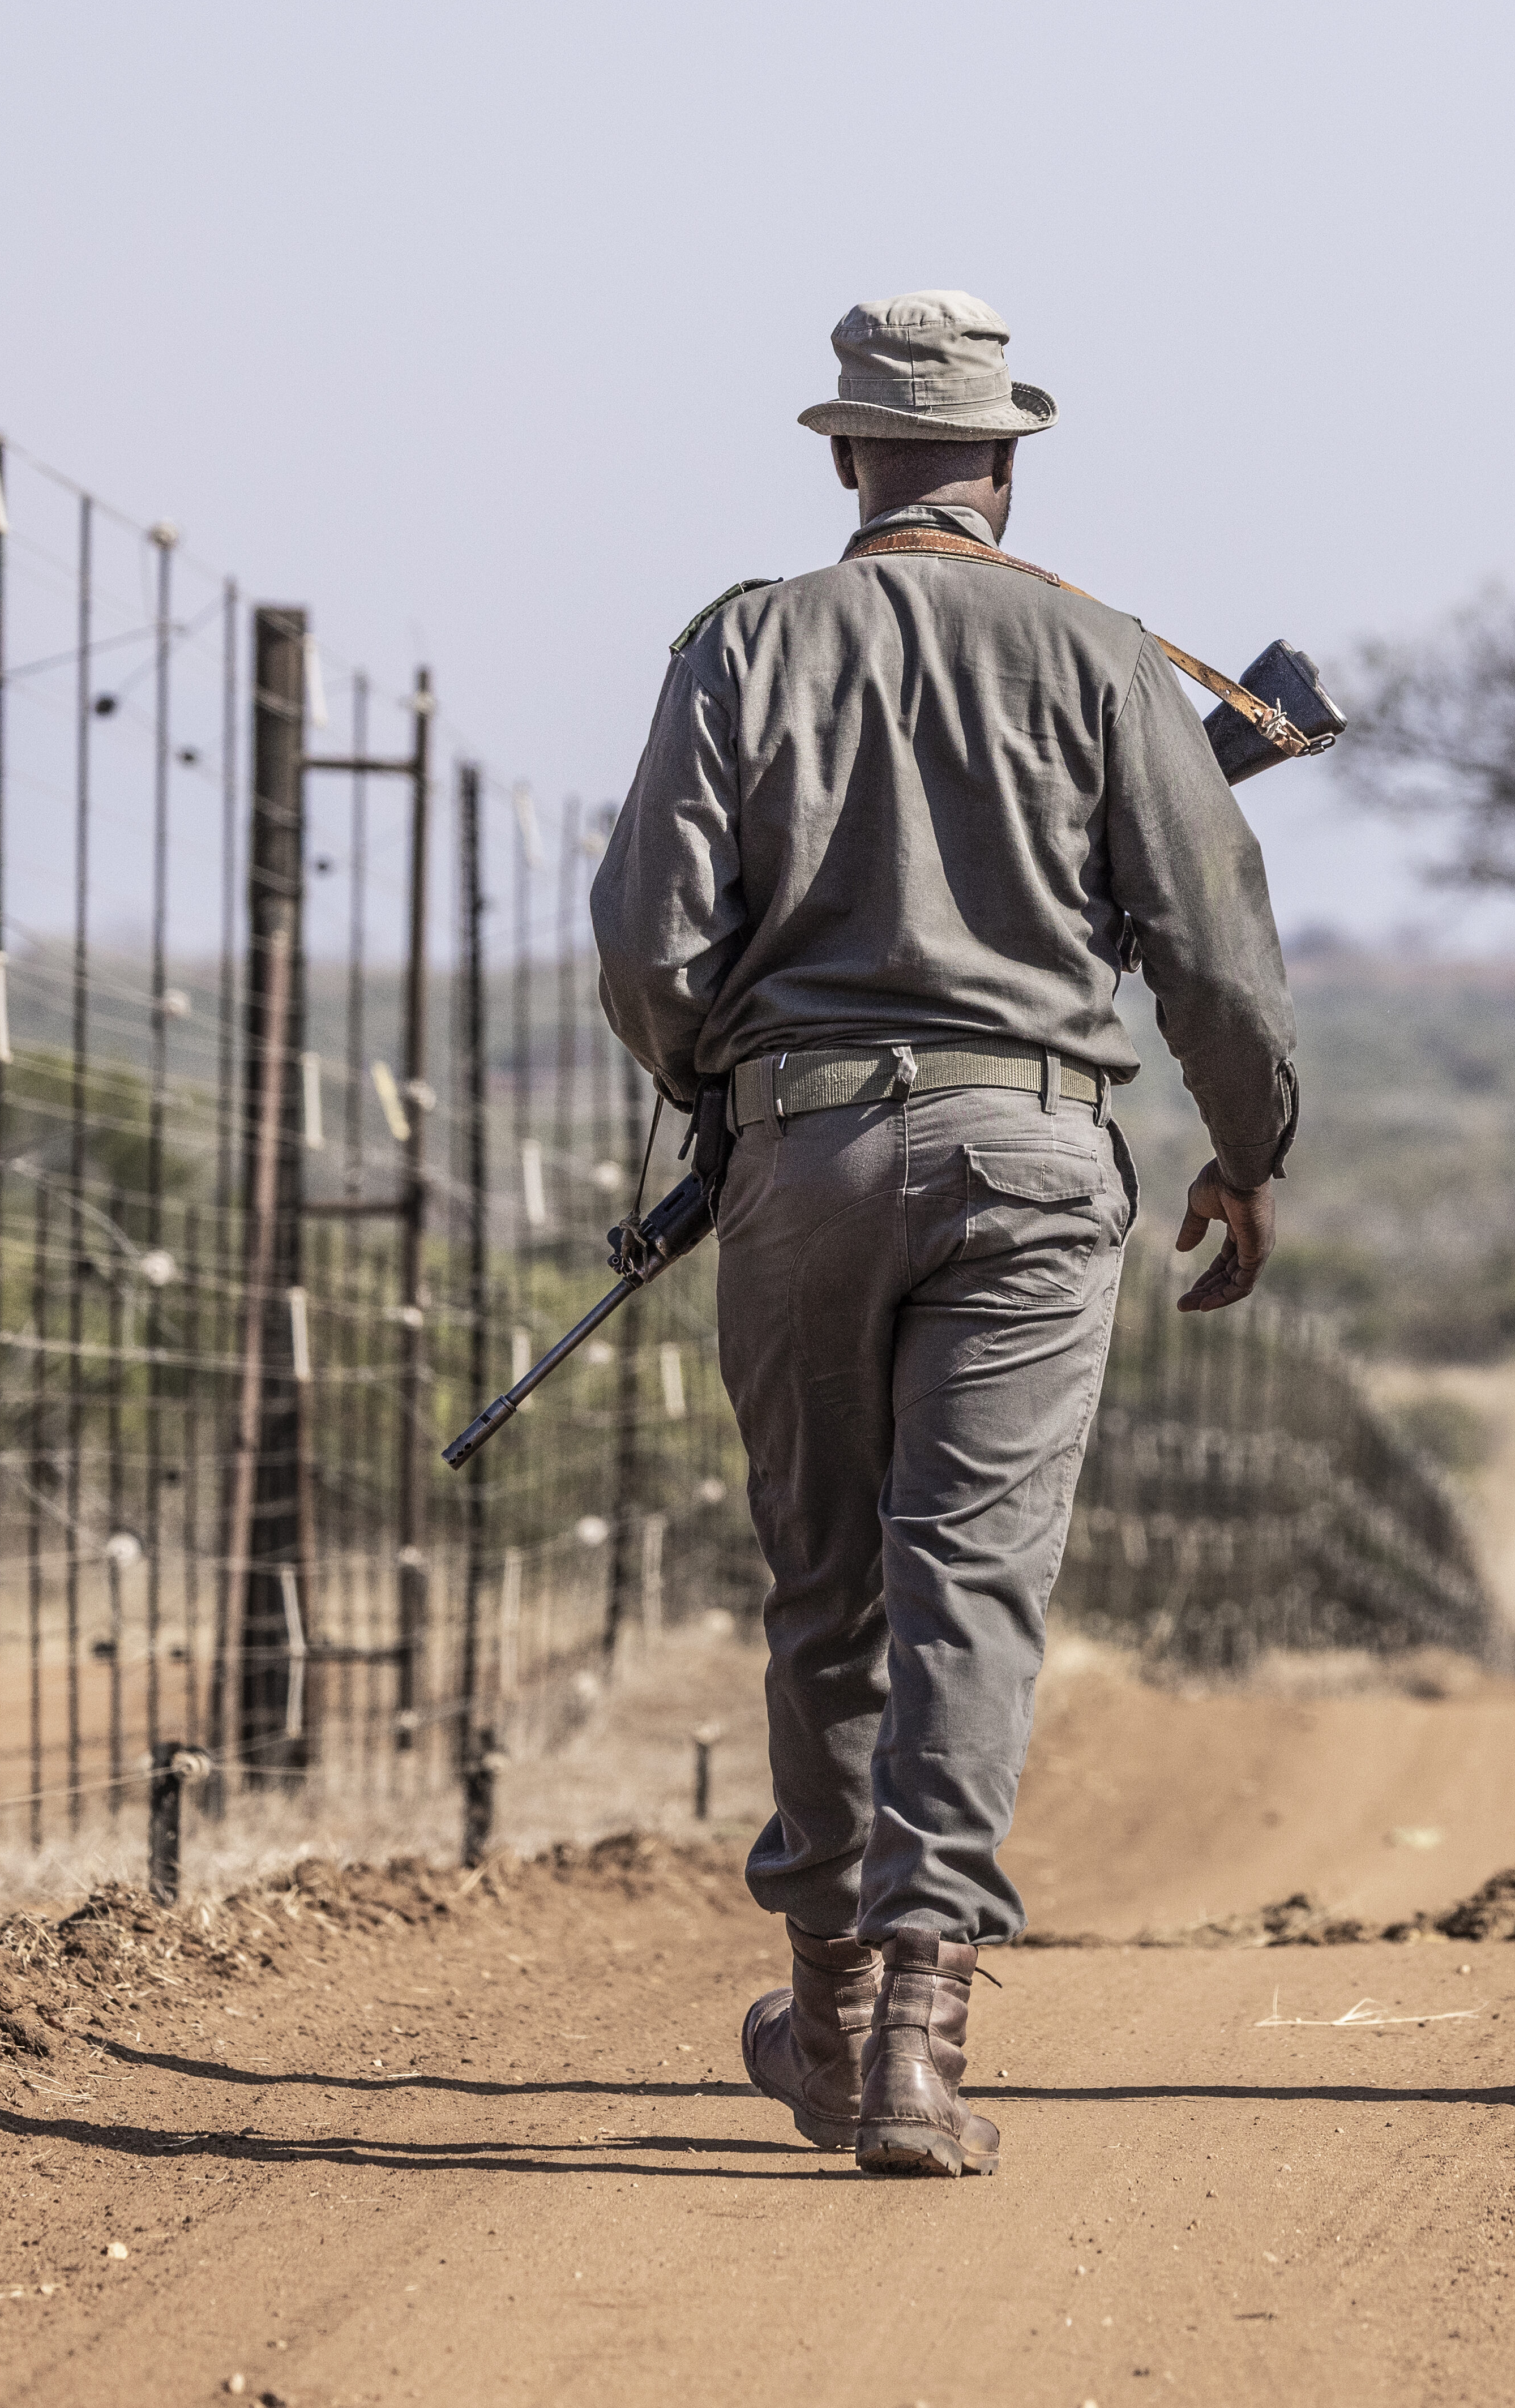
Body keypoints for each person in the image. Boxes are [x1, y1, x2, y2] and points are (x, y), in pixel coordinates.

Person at [593, 289, 1299, 2178]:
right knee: (966, 1586)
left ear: (844, 455)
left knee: (824, 1589)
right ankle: (921, 2033)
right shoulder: (1099, 654)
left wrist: (725, 1100)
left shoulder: (743, 640)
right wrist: (1249, 1151)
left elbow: (648, 941)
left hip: (798, 1159)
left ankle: (821, 2015)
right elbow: (1216, 953)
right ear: (1006, 460)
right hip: (1042, 1165)